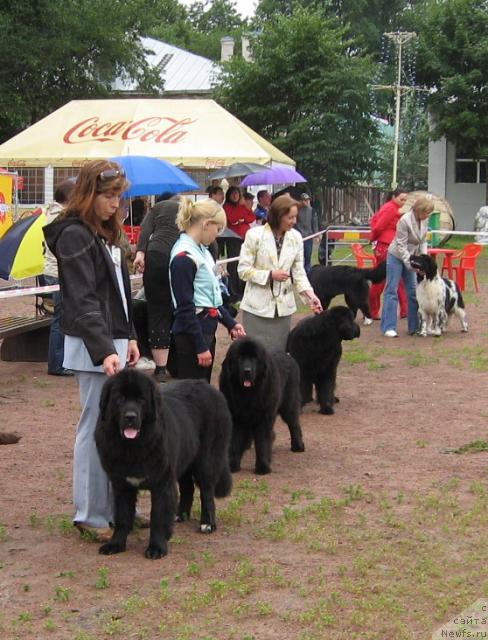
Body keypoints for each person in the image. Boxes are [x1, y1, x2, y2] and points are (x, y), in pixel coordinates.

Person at [43, 159, 139, 542]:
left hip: (110, 341)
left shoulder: (103, 232)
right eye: (108, 195)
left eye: (118, 196)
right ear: (89, 193)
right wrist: (104, 350)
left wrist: (129, 337)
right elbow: (83, 300)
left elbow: (118, 292)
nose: (116, 203)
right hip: (92, 344)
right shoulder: (74, 235)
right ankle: (89, 513)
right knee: (94, 427)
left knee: (115, 428)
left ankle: (116, 509)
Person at [169, 198, 245, 381]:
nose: (217, 235)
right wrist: (199, 346)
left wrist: (230, 323)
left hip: (205, 331)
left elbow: (212, 299)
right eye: (217, 229)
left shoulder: (203, 252)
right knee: (191, 394)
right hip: (191, 335)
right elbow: (185, 308)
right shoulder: (183, 257)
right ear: (206, 224)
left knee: (203, 390)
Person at [237, 194, 323, 352]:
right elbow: (243, 270)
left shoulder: (296, 238)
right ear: (278, 216)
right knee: (255, 356)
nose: (294, 221)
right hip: (256, 309)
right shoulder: (254, 235)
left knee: (278, 357)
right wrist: (270, 275)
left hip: (283, 309)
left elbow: (299, 272)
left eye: (295, 217)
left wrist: (311, 295)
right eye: (290, 217)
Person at [133, 193, 180, 382]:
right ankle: (179, 363)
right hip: (181, 256)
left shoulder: (157, 209)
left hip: (156, 256)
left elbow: (144, 231)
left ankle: (160, 368)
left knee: (157, 312)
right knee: (181, 309)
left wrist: (140, 253)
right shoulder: (188, 209)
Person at [381, 196, 435, 337]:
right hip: (397, 256)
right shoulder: (404, 221)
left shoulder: (425, 220)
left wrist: (422, 259)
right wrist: (410, 264)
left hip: (412, 255)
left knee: (412, 291)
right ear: (418, 210)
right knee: (391, 290)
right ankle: (389, 327)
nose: (427, 216)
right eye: (426, 212)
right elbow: (401, 245)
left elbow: (423, 241)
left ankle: (414, 327)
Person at [42, 178, 76, 376]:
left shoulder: (55, 215)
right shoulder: (60, 217)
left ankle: (59, 361)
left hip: (54, 271)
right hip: (57, 273)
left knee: (60, 318)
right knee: (60, 319)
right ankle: (56, 363)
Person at [369, 188, 409, 320]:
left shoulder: (391, 208)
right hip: (386, 246)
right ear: (393, 196)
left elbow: (376, 223)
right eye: (401, 199)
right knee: (381, 280)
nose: (403, 202)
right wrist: (373, 238)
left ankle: (405, 309)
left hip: (390, 245)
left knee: (398, 279)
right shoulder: (390, 209)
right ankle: (372, 310)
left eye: (405, 200)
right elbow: (378, 226)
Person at [295, 193, 319, 274]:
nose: (307, 201)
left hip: (309, 237)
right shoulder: (296, 210)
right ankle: (298, 272)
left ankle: (308, 272)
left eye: (308, 200)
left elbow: (315, 223)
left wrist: (316, 235)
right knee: (299, 257)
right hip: (299, 237)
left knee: (308, 256)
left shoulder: (312, 211)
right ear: (301, 201)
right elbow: (294, 224)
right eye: (305, 200)